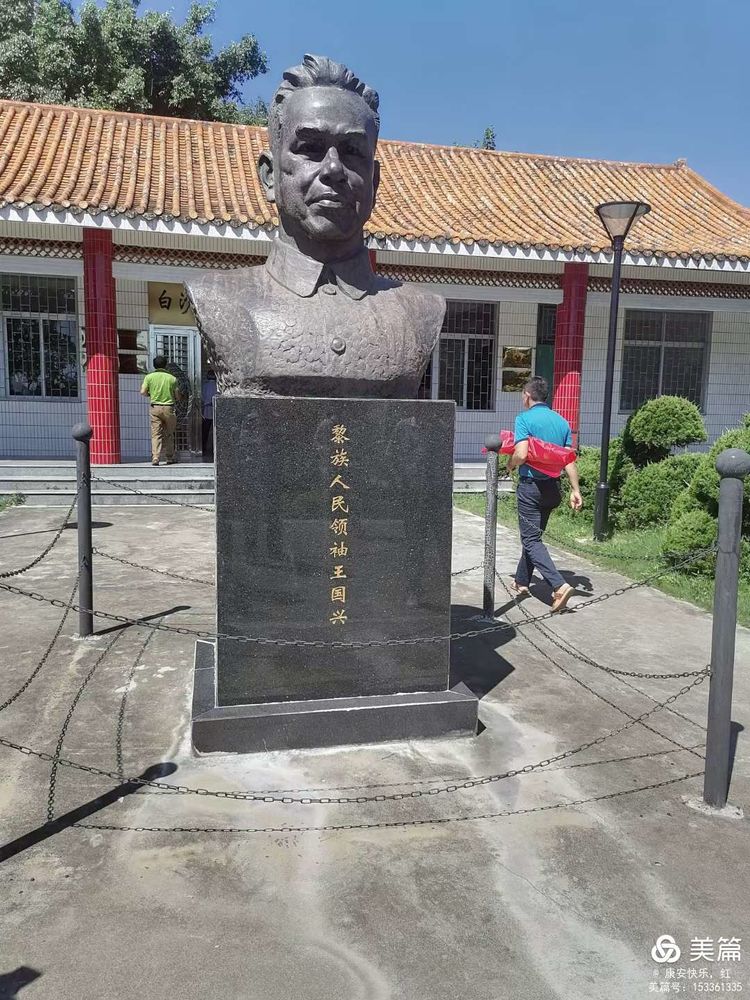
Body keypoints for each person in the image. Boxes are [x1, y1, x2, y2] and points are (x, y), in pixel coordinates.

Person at [184, 54, 445, 399]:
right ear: (270, 176)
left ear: (374, 182)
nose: (333, 169)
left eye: (352, 151)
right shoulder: (220, 299)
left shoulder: (419, 313)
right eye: (310, 149)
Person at [506, 376, 583, 613]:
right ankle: (521, 581)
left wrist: (510, 465)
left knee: (531, 540)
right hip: (553, 490)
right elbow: (568, 460)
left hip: (531, 488)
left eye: (522, 394)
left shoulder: (524, 419)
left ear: (528, 395)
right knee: (534, 537)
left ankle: (559, 585)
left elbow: (521, 454)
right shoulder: (562, 422)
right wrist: (575, 489)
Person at [140, 355, 181, 466]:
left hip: (155, 408)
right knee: (169, 434)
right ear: (165, 365)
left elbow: (143, 392)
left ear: (154, 365)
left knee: (156, 434)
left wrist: (150, 394)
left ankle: (156, 457)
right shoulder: (172, 378)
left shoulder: (149, 377)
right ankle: (169, 457)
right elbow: (177, 396)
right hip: (169, 408)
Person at [201, 370, 217, 459]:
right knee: (215, 431)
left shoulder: (205, 386)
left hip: (206, 410)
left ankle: (203, 448)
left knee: (205, 432)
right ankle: (215, 449)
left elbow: (202, 397)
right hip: (216, 410)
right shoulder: (218, 386)